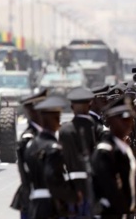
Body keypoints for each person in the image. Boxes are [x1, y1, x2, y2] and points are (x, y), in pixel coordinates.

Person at [23, 94, 80, 219]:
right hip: (50, 206)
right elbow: (52, 178)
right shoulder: (53, 148)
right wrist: (73, 196)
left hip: (34, 205)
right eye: (57, 117)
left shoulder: (31, 145)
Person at [92, 96, 136, 217]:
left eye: (131, 118)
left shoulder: (123, 148)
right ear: (111, 120)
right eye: (124, 119)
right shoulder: (105, 151)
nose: (129, 123)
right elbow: (111, 189)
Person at [58, 87, 98, 217]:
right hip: (93, 185)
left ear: (71, 106)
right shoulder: (96, 128)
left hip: (71, 186)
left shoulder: (64, 130)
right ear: (90, 105)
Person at [11, 89, 47, 219]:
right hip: (33, 196)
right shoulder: (29, 138)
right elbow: (26, 174)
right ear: (33, 112)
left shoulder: (45, 133)